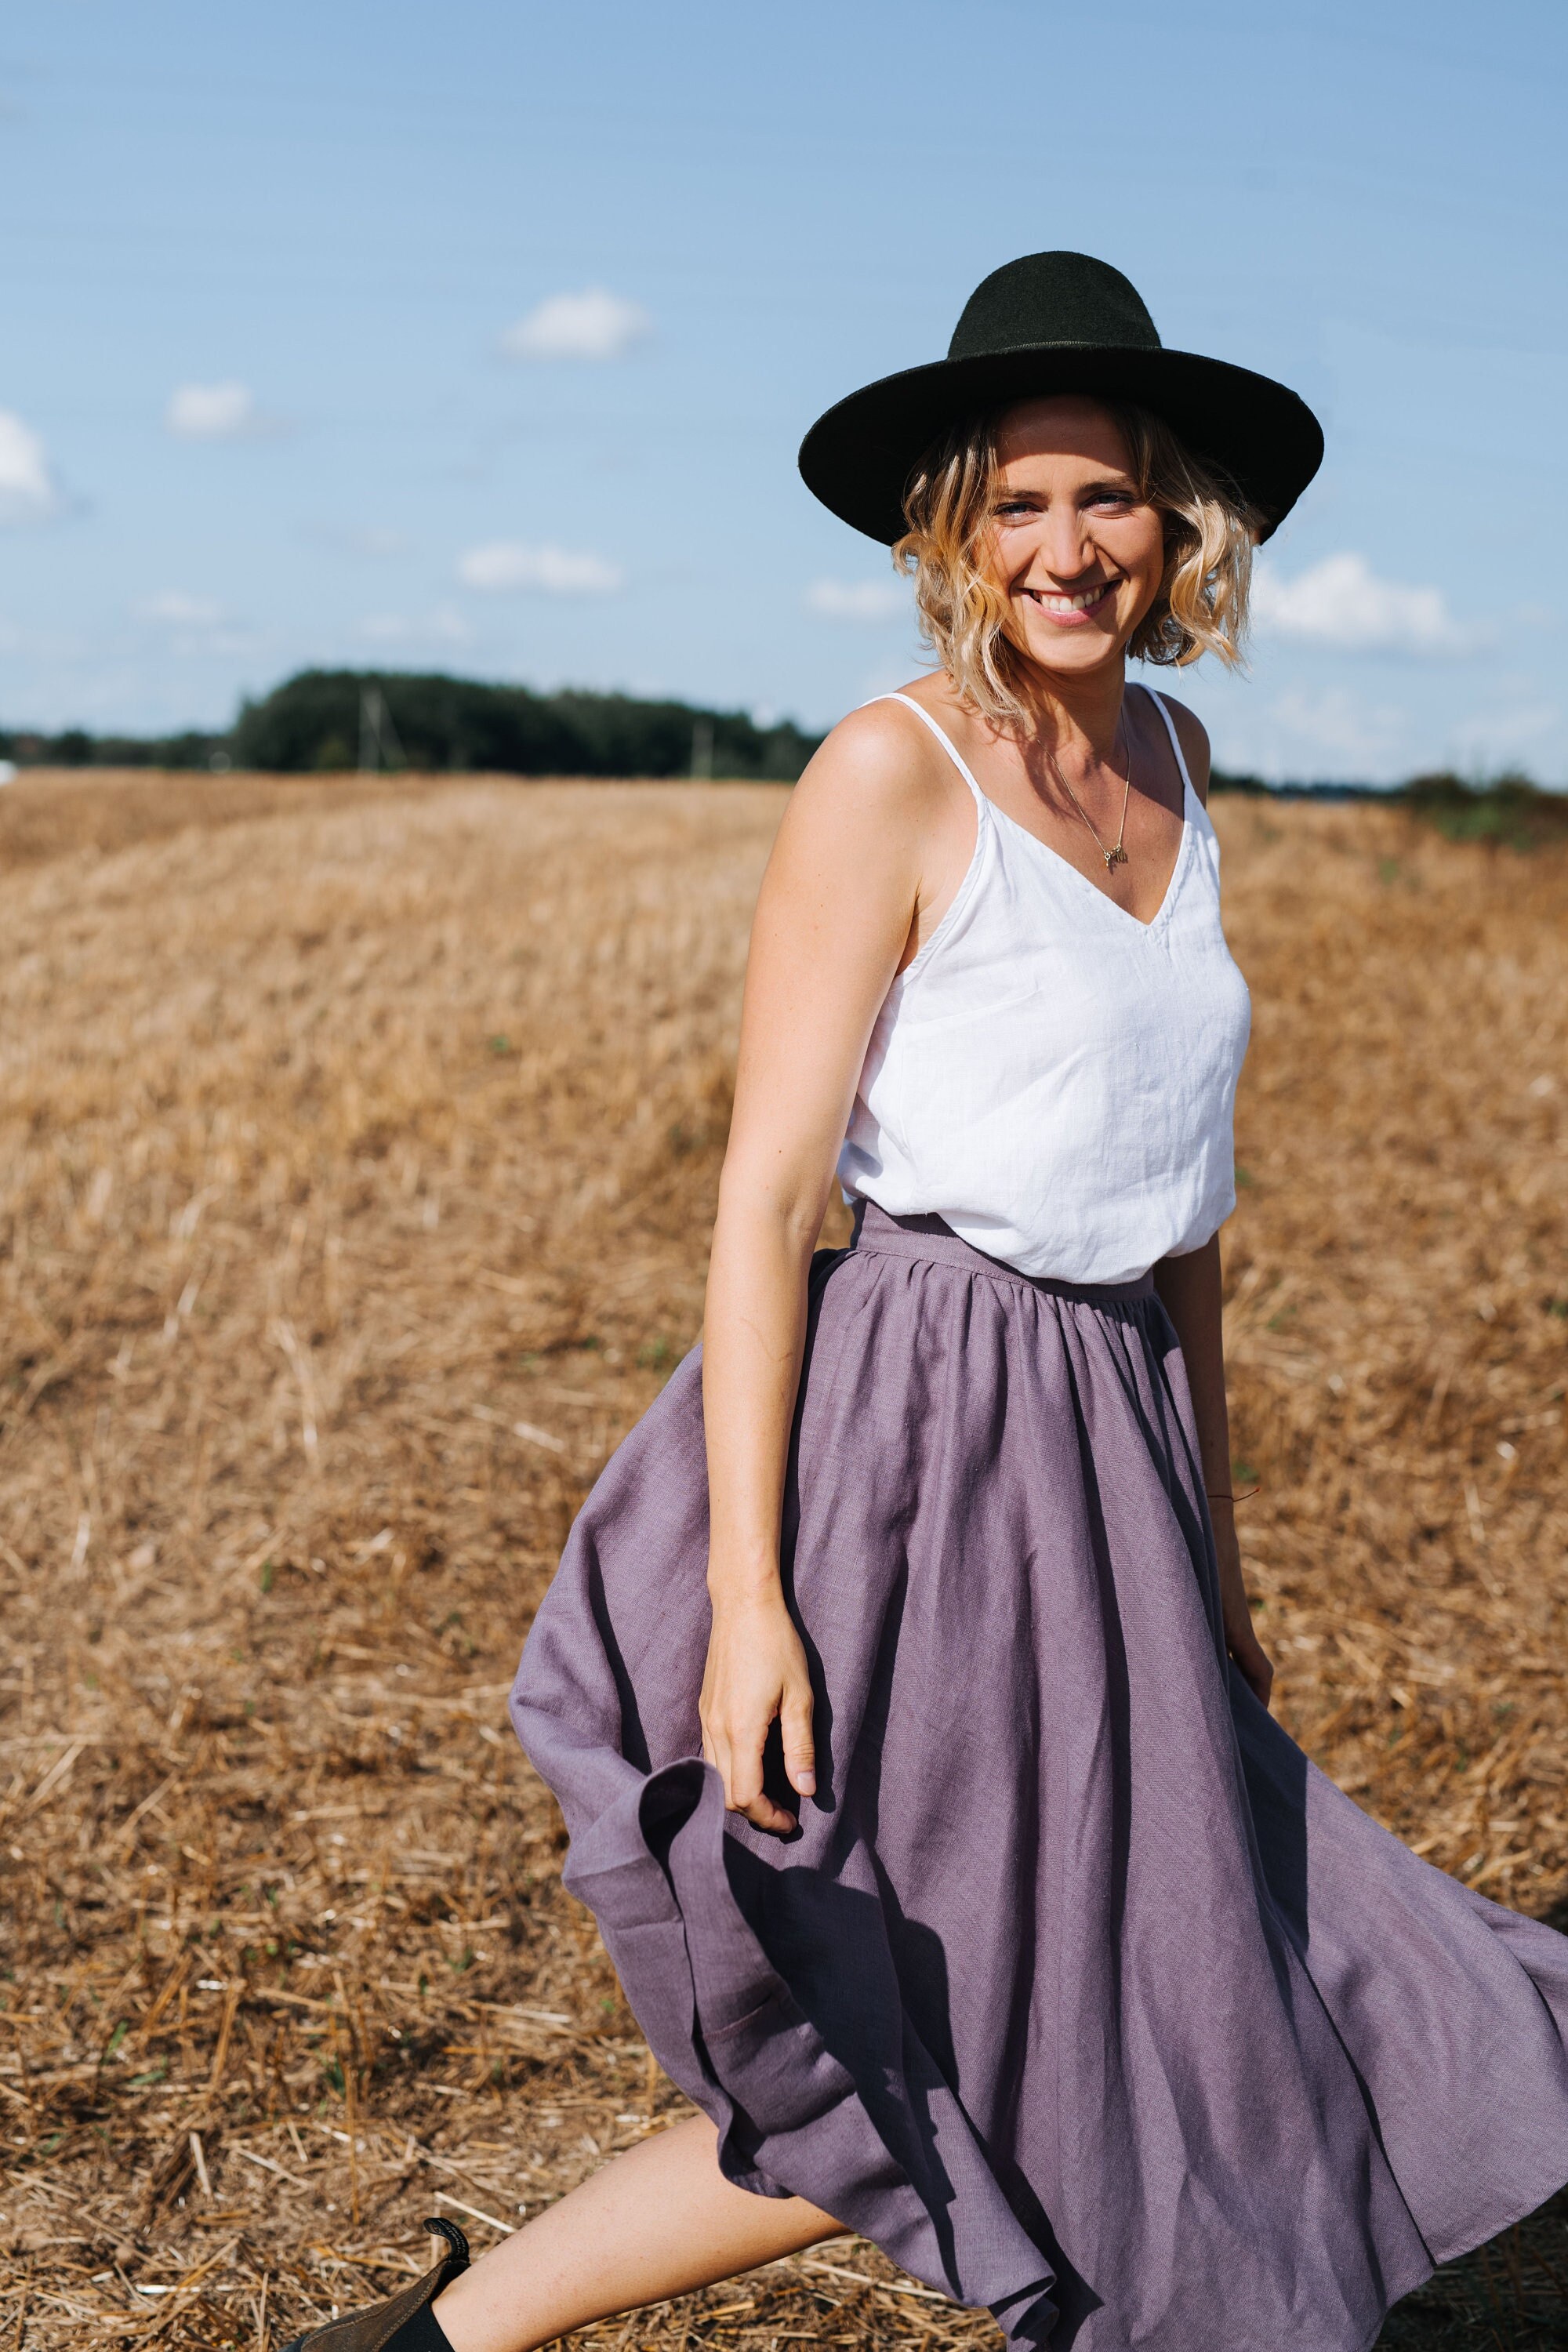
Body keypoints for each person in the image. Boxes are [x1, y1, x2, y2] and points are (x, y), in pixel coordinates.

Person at [286, 254, 1568, 2352]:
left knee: (1159, 1985)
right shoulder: (892, 775)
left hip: (1118, 1439)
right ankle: (448, 2343)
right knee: (984, 2031)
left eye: (1113, 502)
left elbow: (1191, 1224)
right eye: (1021, 504)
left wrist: (1217, 1555)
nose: (1069, 550)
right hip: (921, 1442)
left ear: (1178, 533)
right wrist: (751, 1607)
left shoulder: (1182, 760)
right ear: (955, 532)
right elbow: (771, 1192)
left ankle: (436, 2343)